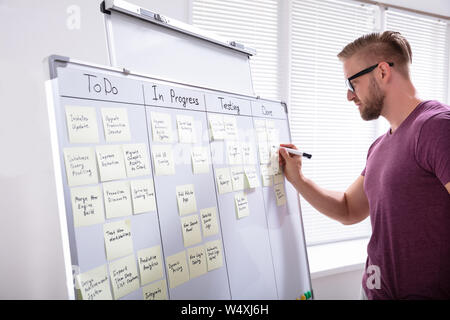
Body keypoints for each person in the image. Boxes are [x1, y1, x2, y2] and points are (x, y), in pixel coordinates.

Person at [279, 31, 450, 300]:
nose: (349, 96)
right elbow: (348, 208)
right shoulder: (380, 146)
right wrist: (298, 179)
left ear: (382, 71)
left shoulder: (436, 127)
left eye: (352, 83)